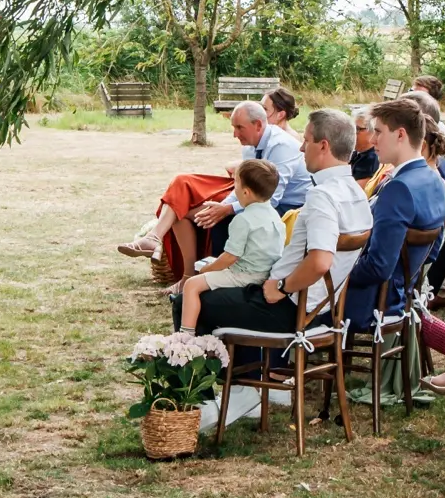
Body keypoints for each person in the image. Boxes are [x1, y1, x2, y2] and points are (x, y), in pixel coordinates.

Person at [187, 110, 372, 336]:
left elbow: (320, 262)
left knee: (188, 298)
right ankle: (240, 358)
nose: (301, 148)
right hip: (318, 308)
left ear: (323, 146)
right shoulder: (357, 193)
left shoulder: (323, 195)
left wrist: (282, 287)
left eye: (306, 141)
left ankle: (189, 357)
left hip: (286, 306)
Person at [121, 100, 307, 281]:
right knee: (182, 188)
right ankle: (166, 252)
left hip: (283, 204)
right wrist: (221, 207)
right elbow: (242, 184)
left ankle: (197, 274)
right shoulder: (250, 144)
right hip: (252, 194)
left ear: (258, 125)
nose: (234, 134)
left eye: (239, 127)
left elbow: (271, 198)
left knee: (214, 215)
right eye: (233, 127)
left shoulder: (281, 146)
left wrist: (227, 209)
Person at [340, 98, 445, 331]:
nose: (372, 140)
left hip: (371, 303)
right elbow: (432, 254)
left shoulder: (399, 188)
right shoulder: (436, 181)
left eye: (379, 132)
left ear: (401, 134)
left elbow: (378, 266)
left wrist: (335, 273)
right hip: (403, 294)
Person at [172, 160, 284, 333]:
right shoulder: (275, 216)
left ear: (246, 192)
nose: (234, 187)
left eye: (236, 183)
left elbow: (230, 257)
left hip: (243, 276)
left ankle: (186, 334)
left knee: (191, 285)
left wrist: (207, 270)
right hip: (265, 274)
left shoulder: (243, 219)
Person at [349, 107, 382, 186]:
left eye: (357, 129)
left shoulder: (372, 159)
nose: (353, 132)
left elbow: (355, 190)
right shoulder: (358, 152)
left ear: (373, 131)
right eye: (352, 128)